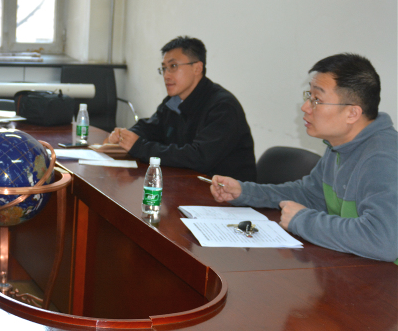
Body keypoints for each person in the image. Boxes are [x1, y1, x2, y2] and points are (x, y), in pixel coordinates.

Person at [210, 53, 398, 263]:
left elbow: (383, 240)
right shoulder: (339, 146)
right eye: (309, 96)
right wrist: (245, 192)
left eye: (317, 100)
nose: (305, 107)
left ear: (352, 113)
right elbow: (309, 195)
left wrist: (303, 220)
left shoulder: (384, 157)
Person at [106, 36, 256, 181]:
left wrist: (139, 147)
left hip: (224, 194)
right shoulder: (174, 101)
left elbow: (198, 158)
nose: (166, 75)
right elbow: (151, 128)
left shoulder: (223, 107)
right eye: (164, 68)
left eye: (173, 66)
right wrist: (125, 136)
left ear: (197, 68)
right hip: (187, 184)